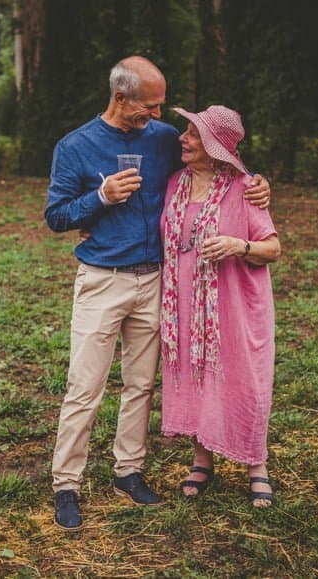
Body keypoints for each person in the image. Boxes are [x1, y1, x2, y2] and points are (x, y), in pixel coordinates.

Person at [44, 56, 271, 530]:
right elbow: (56, 216)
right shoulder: (76, 146)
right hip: (102, 279)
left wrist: (258, 185)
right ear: (120, 97)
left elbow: (219, 165)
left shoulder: (164, 139)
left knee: (141, 385)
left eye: (160, 106)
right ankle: (67, 484)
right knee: (85, 386)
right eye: (150, 106)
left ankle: (128, 472)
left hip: (156, 282)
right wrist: (100, 197)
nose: (158, 114)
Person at [160, 105, 280, 507]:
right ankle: (202, 459)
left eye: (193, 133)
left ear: (214, 146)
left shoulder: (245, 188)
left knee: (245, 380)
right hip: (186, 305)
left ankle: (256, 464)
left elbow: (273, 248)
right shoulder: (173, 183)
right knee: (198, 374)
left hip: (236, 305)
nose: (183, 138)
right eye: (186, 131)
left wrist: (238, 245)